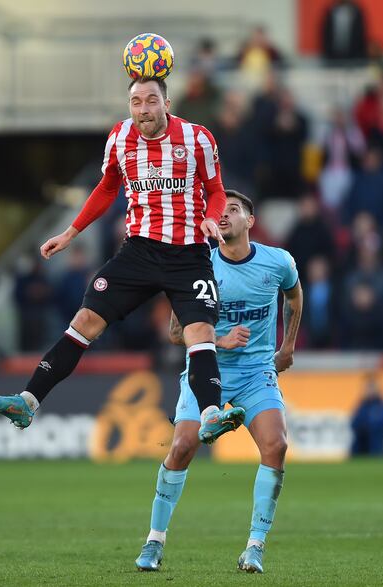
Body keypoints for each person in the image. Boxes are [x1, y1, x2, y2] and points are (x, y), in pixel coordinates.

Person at [0, 77, 243, 444]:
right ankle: (28, 401)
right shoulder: (120, 138)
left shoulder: (198, 138)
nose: (144, 109)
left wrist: (212, 218)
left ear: (166, 104)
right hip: (138, 251)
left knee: (197, 331)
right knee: (86, 319)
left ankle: (212, 415)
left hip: (189, 253)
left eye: (151, 101)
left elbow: (215, 190)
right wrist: (70, 233)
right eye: (136, 102)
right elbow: (106, 188)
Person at [133, 190, 303, 574]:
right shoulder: (199, 266)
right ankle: (154, 541)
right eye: (219, 210)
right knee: (182, 446)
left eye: (234, 209)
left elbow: (294, 294)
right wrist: (217, 339)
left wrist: (288, 345)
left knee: (276, 445)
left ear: (250, 221)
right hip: (207, 369)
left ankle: (255, 547)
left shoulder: (278, 262)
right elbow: (176, 332)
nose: (223, 215)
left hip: (256, 372)